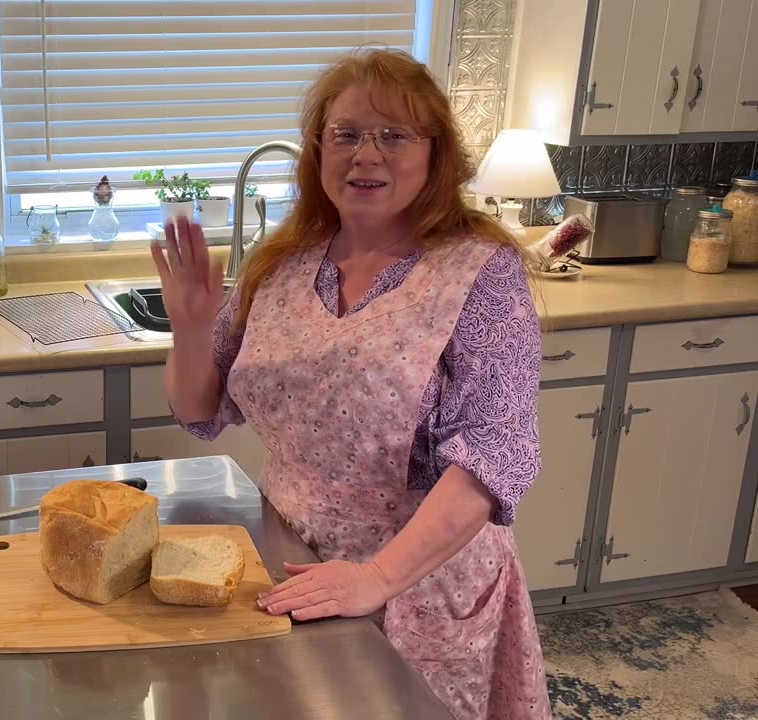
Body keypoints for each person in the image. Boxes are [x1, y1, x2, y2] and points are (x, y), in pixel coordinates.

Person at [154, 48, 551, 720]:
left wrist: (377, 578)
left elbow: (489, 463)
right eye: (344, 135)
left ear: (436, 154)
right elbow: (200, 408)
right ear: (317, 152)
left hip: (420, 586)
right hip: (291, 565)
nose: (366, 154)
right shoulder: (279, 265)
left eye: (393, 135)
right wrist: (190, 329)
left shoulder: (480, 274)